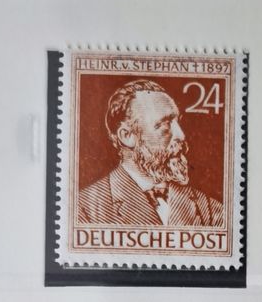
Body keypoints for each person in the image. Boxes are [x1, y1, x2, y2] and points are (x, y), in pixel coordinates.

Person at [78, 78, 224, 230]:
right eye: (165, 124)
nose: (181, 135)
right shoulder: (85, 210)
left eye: (177, 121)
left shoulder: (211, 210)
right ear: (127, 136)